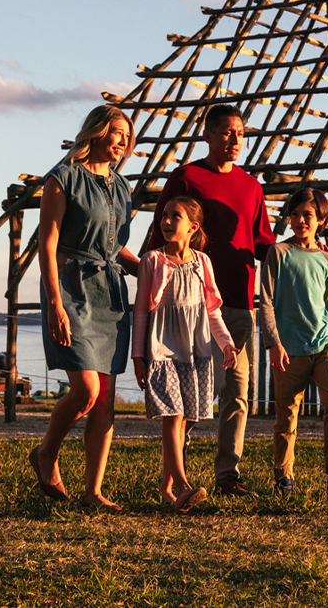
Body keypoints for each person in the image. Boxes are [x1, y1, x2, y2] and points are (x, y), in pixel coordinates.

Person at [147, 104, 275, 497]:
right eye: (226, 132)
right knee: (191, 392)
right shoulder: (187, 176)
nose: (235, 140)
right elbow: (161, 230)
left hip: (238, 301)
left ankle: (227, 476)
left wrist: (303, 249)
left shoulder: (252, 187)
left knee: (237, 390)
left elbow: (263, 241)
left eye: (240, 133)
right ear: (208, 134)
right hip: (190, 306)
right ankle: (176, 474)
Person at [29, 105, 138, 512]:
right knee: (86, 391)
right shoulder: (63, 177)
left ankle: (94, 491)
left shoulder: (122, 186)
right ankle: (46, 452)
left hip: (109, 291)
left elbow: (114, 245)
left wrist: (146, 270)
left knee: (105, 397)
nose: (122, 142)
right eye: (116, 133)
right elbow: (48, 242)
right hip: (71, 287)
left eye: (127, 136)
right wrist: (55, 301)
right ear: (96, 132)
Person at [132, 197, 239, 513]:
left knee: (184, 418)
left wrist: (226, 344)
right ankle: (182, 484)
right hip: (162, 349)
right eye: (162, 216)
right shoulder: (152, 260)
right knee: (173, 416)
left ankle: (166, 488)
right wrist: (138, 356)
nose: (165, 222)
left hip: (195, 352)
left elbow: (212, 311)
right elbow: (140, 312)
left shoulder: (202, 262)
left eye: (173, 216)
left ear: (193, 227)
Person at [260, 188, 328, 504]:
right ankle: (284, 478)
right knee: (286, 415)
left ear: (321, 219)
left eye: (307, 215)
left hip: (324, 344)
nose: (300, 220)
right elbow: (265, 301)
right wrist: (273, 342)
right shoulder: (277, 253)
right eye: (295, 214)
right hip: (288, 347)